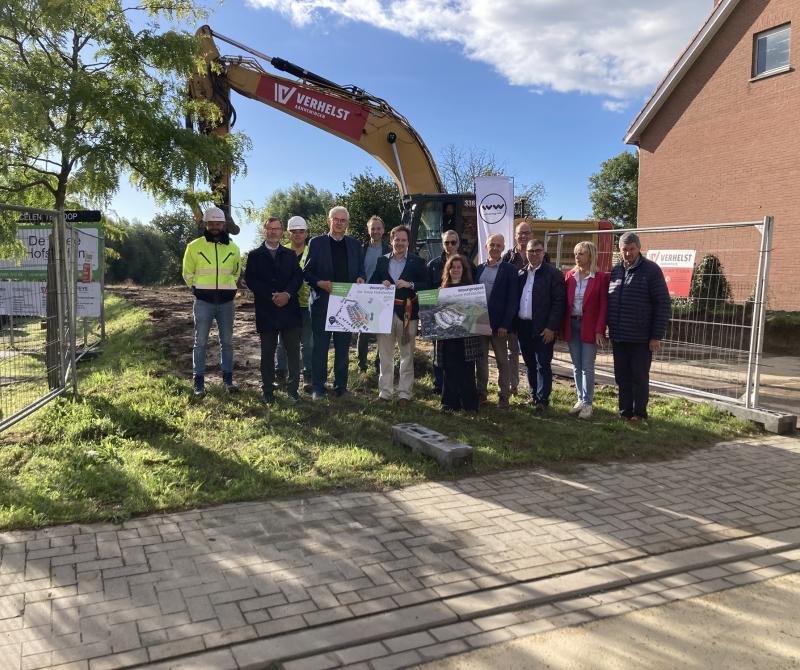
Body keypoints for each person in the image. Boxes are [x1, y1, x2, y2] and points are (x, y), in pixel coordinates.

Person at [303, 205, 366, 400]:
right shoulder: (316, 243)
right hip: (323, 303)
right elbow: (306, 273)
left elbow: (361, 271)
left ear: (347, 223)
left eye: (343, 220)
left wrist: (361, 279)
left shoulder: (355, 245)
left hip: (347, 305)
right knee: (320, 348)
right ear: (328, 221)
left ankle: (341, 387)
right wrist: (320, 283)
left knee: (342, 348)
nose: (339, 223)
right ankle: (318, 388)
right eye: (336, 219)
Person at [607, 231, 671, 422]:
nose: (627, 253)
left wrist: (656, 336)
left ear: (639, 248)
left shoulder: (651, 270)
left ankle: (639, 413)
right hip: (619, 335)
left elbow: (663, 304)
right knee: (622, 376)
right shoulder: (616, 270)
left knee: (639, 377)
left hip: (641, 337)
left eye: (631, 249)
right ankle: (625, 411)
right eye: (624, 249)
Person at [182, 206, 241, 397]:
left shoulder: (233, 248)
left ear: (224, 225)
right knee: (200, 343)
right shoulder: (194, 247)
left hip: (226, 303)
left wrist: (229, 289)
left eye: (218, 223)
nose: (215, 226)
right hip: (203, 303)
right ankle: (198, 383)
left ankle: (228, 381)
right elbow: (187, 273)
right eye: (211, 223)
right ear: (206, 224)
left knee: (227, 342)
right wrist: (198, 289)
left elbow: (236, 272)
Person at [245, 216, 304, 404]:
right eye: (270, 228)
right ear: (265, 230)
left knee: (293, 352)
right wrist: (272, 295)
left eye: (277, 228)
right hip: (266, 311)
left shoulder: (289, 254)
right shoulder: (254, 255)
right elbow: (251, 280)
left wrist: (287, 294)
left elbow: (297, 277)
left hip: (289, 310)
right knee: (267, 353)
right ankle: (268, 390)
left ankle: (293, 390)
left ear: (281, 232)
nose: (273, 232)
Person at [370, 225, 428, 406]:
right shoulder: (381, 261)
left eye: (403, 240)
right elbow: (372, 282)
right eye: (397, 240)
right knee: (385, 356)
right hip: (385, 314)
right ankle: (385, 393)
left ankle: (404, 394)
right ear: (391, 241)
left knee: (407, 356)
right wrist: (381, 283)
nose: (400, 243)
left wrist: (410, 284)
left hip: (407, 315)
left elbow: (426, 284)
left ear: (408, 243)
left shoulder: (417, 262)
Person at [516, 238, 566, 411]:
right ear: (526, 252)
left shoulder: (553, 274)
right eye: (531, 251)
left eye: (538, 251)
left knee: (542, 364)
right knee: (529, 363)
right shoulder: (521, 273)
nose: (534, 254)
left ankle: (543, 400)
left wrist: (551, 327)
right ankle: (533, 395)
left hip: (544, 328)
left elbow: (559, 302)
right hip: (523, 326)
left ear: (543, 253)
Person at [562, 241, 609, 420]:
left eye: (581, 253)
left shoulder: (600, 278)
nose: (577, 257)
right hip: (572, 324)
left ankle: (588, 403)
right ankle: (580, 399)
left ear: (590, 255)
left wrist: (599, 330)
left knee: (587, 366)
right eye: (576, 253)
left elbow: (604, 306)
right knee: (576, 365)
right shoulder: (569, 276)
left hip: (590, 326)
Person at [434, 255, 482, 412]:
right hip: (447, 338)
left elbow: (476, 313)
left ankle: (470, 405)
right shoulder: (441, 290)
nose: (455, 270)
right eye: (452, 267)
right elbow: (435, 316)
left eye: (458, 267)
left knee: (467, 370)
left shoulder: (471, 290)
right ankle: (449, 403)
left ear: (464, 270)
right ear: (448, 270)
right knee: (449, 370)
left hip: (466, 337)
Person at [475, 234, 518, 408]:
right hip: (479, 322)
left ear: (503, 248)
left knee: (502, 361)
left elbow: (512, 300)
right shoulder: (478, 269)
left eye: (498, 245)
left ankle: (504, 395)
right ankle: (481, 393)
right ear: (486, 247)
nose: (494, 248)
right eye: (492, 244)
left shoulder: (510, 270)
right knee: (481, 360)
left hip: (499, 325)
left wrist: (505, 325)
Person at [427, 230, 470, 393]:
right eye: (447, 242)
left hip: (461, 317)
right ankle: (439, 385)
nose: (450, 245)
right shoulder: (433, 265)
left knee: (459, 355)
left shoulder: (466, 264)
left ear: (458, 244)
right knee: (439, 353)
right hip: (439, 317)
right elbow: (427, 290)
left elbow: (473, 289)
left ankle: (458, 386)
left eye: (453, 242)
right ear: (442, 244)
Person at [274, 216, 314, 393]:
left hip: (307, 304)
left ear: (306, 233)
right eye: (294, 231)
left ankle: (308, 376)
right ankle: (280, 374)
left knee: (308, 343)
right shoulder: (280, 252)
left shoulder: (313, 252)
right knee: (282, 342)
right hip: (286, 305)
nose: (298, 234)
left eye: (301, 231)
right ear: (288, 234)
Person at [501, 220, 533, 395]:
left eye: (527, 233)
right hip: (513, 314)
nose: (523, 236)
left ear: (532, 235)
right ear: (515, 236)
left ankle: (532, 388)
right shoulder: (508, 257)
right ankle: (513, 385)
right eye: (520, 233)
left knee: (530, 354)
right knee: (512, 351)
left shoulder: (538, 254)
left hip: (531, 314)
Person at [358, 215, 390, 373]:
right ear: (368, 230)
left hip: (383, 295)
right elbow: (357, 269)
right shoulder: (361, 249)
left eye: (378, 228)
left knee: (382, 332)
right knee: (363, 332)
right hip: (364, 294)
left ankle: (378, 364)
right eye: (373, 229)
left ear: (383, 230)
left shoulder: (389, 250)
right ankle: (361, 365)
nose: (376, 231)